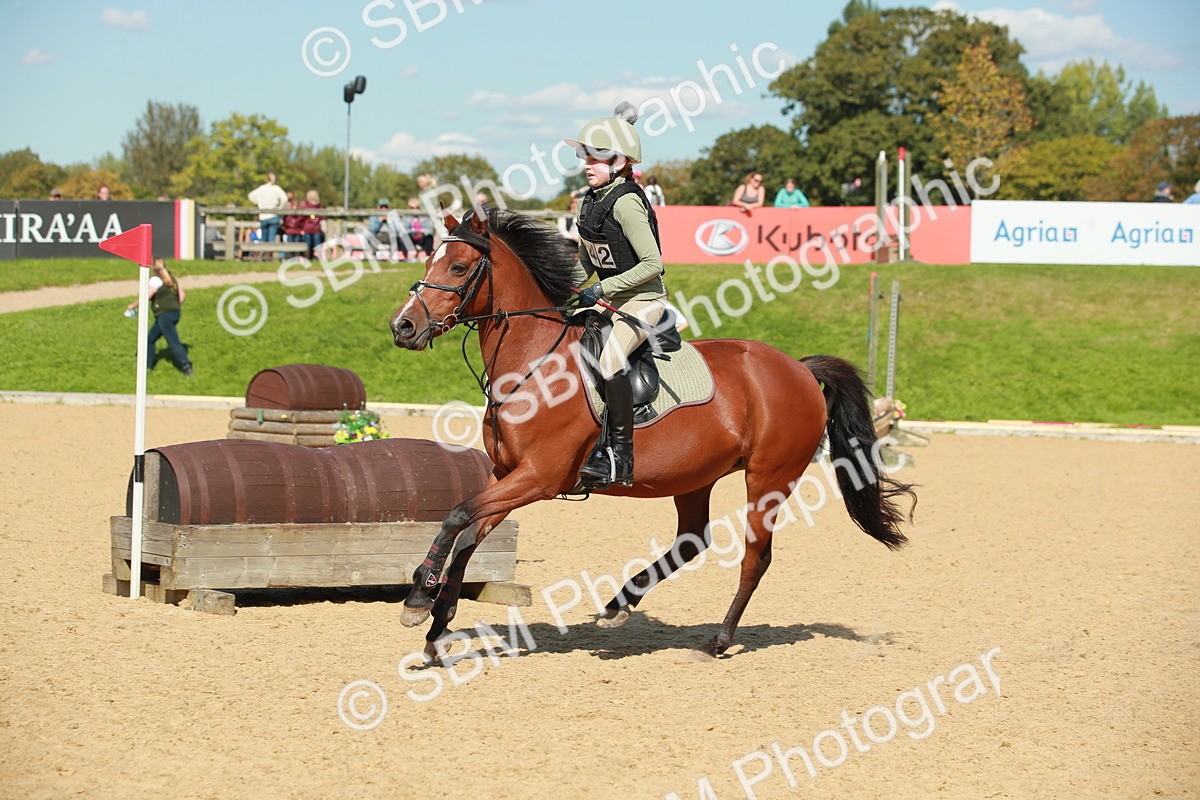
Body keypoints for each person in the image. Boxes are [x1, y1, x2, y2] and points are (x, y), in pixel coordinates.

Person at [565, 101, 666, 490]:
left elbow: (652, 264)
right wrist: (564, 290)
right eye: (584, 155)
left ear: (621, 162)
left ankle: (620, 457)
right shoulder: (588, 202)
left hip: (644, 301)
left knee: (608, 361)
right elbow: (586, 263)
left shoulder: (626, 202)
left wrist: (601, 289)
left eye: (596, 156)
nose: (587, 163)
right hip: (606, 301)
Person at [125, 258, 192, 376]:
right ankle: (147, 366)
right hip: (175, 313)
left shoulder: (156, 279)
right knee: (150, 339)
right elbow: (182, 296)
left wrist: (133, 305)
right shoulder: (171, 278)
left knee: (173, 342)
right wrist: (173, 305)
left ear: (153, 268)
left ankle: (186, 366)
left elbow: (147, 295)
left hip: (164, 315)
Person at [248, 172, 288, 243]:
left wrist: (258, 202)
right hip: (273, 215)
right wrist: (279, 208)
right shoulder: (276, 188)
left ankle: (263, 253)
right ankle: (269, 254)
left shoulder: (261, 188)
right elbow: (284, 198)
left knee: (263, 239)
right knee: (271, 239)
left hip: (263, 216)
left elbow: (250, 196)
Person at [300, 189, 325, 259]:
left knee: (308, 244)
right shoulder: (319, 207)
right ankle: (319, 258)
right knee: (317, 244)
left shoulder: (306, 206)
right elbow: (321, 217)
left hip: (308, 228)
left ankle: (308, 258)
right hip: (315, 228)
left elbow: (303, 218)